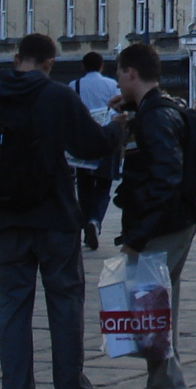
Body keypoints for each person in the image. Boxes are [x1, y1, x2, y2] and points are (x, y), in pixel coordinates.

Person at [0, 33, 118, 389]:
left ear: (16, 58)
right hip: (54, 215)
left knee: (12, 304)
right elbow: (91, 145)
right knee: (64, 303)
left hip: (3, 219)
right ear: (49, 63)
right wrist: (117, 129)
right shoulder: (56, 97)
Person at [110, 41, 196, 389]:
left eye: (118, 72)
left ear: (131, 71)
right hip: (175, 220)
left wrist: (137, 236)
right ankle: (161, 385)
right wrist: (131, 109)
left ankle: (165, 387)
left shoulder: (154, 117)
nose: (116, 80)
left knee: (151, 309)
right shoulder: (158, 109)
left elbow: (164, 176)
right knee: (158, 309)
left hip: (163, 224)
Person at [72, 51, 120, 250]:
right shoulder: (111, 85)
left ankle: (86, 225)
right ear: (101, 66)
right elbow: (118, 111)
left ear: (83, 66)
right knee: (103, 184)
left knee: (84, 186)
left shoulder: (74, 86)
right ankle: (95, 220)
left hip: (83, 140)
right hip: (105, 139)